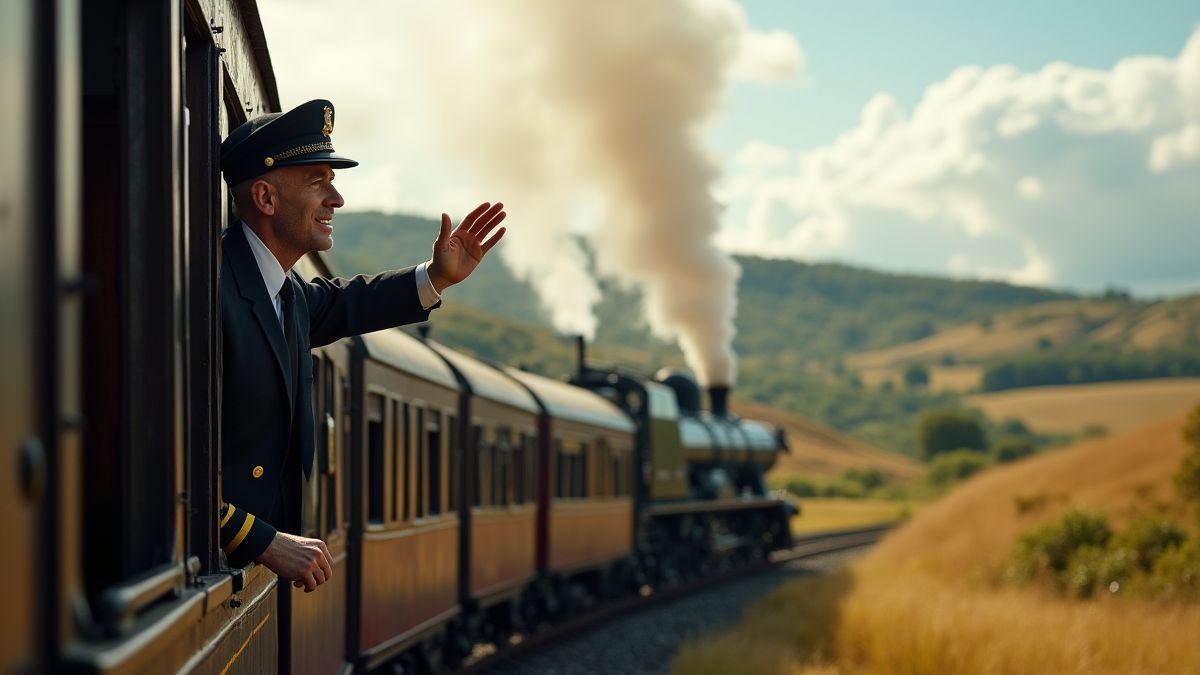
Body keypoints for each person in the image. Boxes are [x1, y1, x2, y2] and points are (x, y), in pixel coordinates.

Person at [216, 99, 505, 592]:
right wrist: (261, 540)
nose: (337, 199)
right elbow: (167, 468)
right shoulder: (208, 288)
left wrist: (436, 277)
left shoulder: (285, 295)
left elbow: (351, 302)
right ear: (265, 198)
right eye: (317, 181)